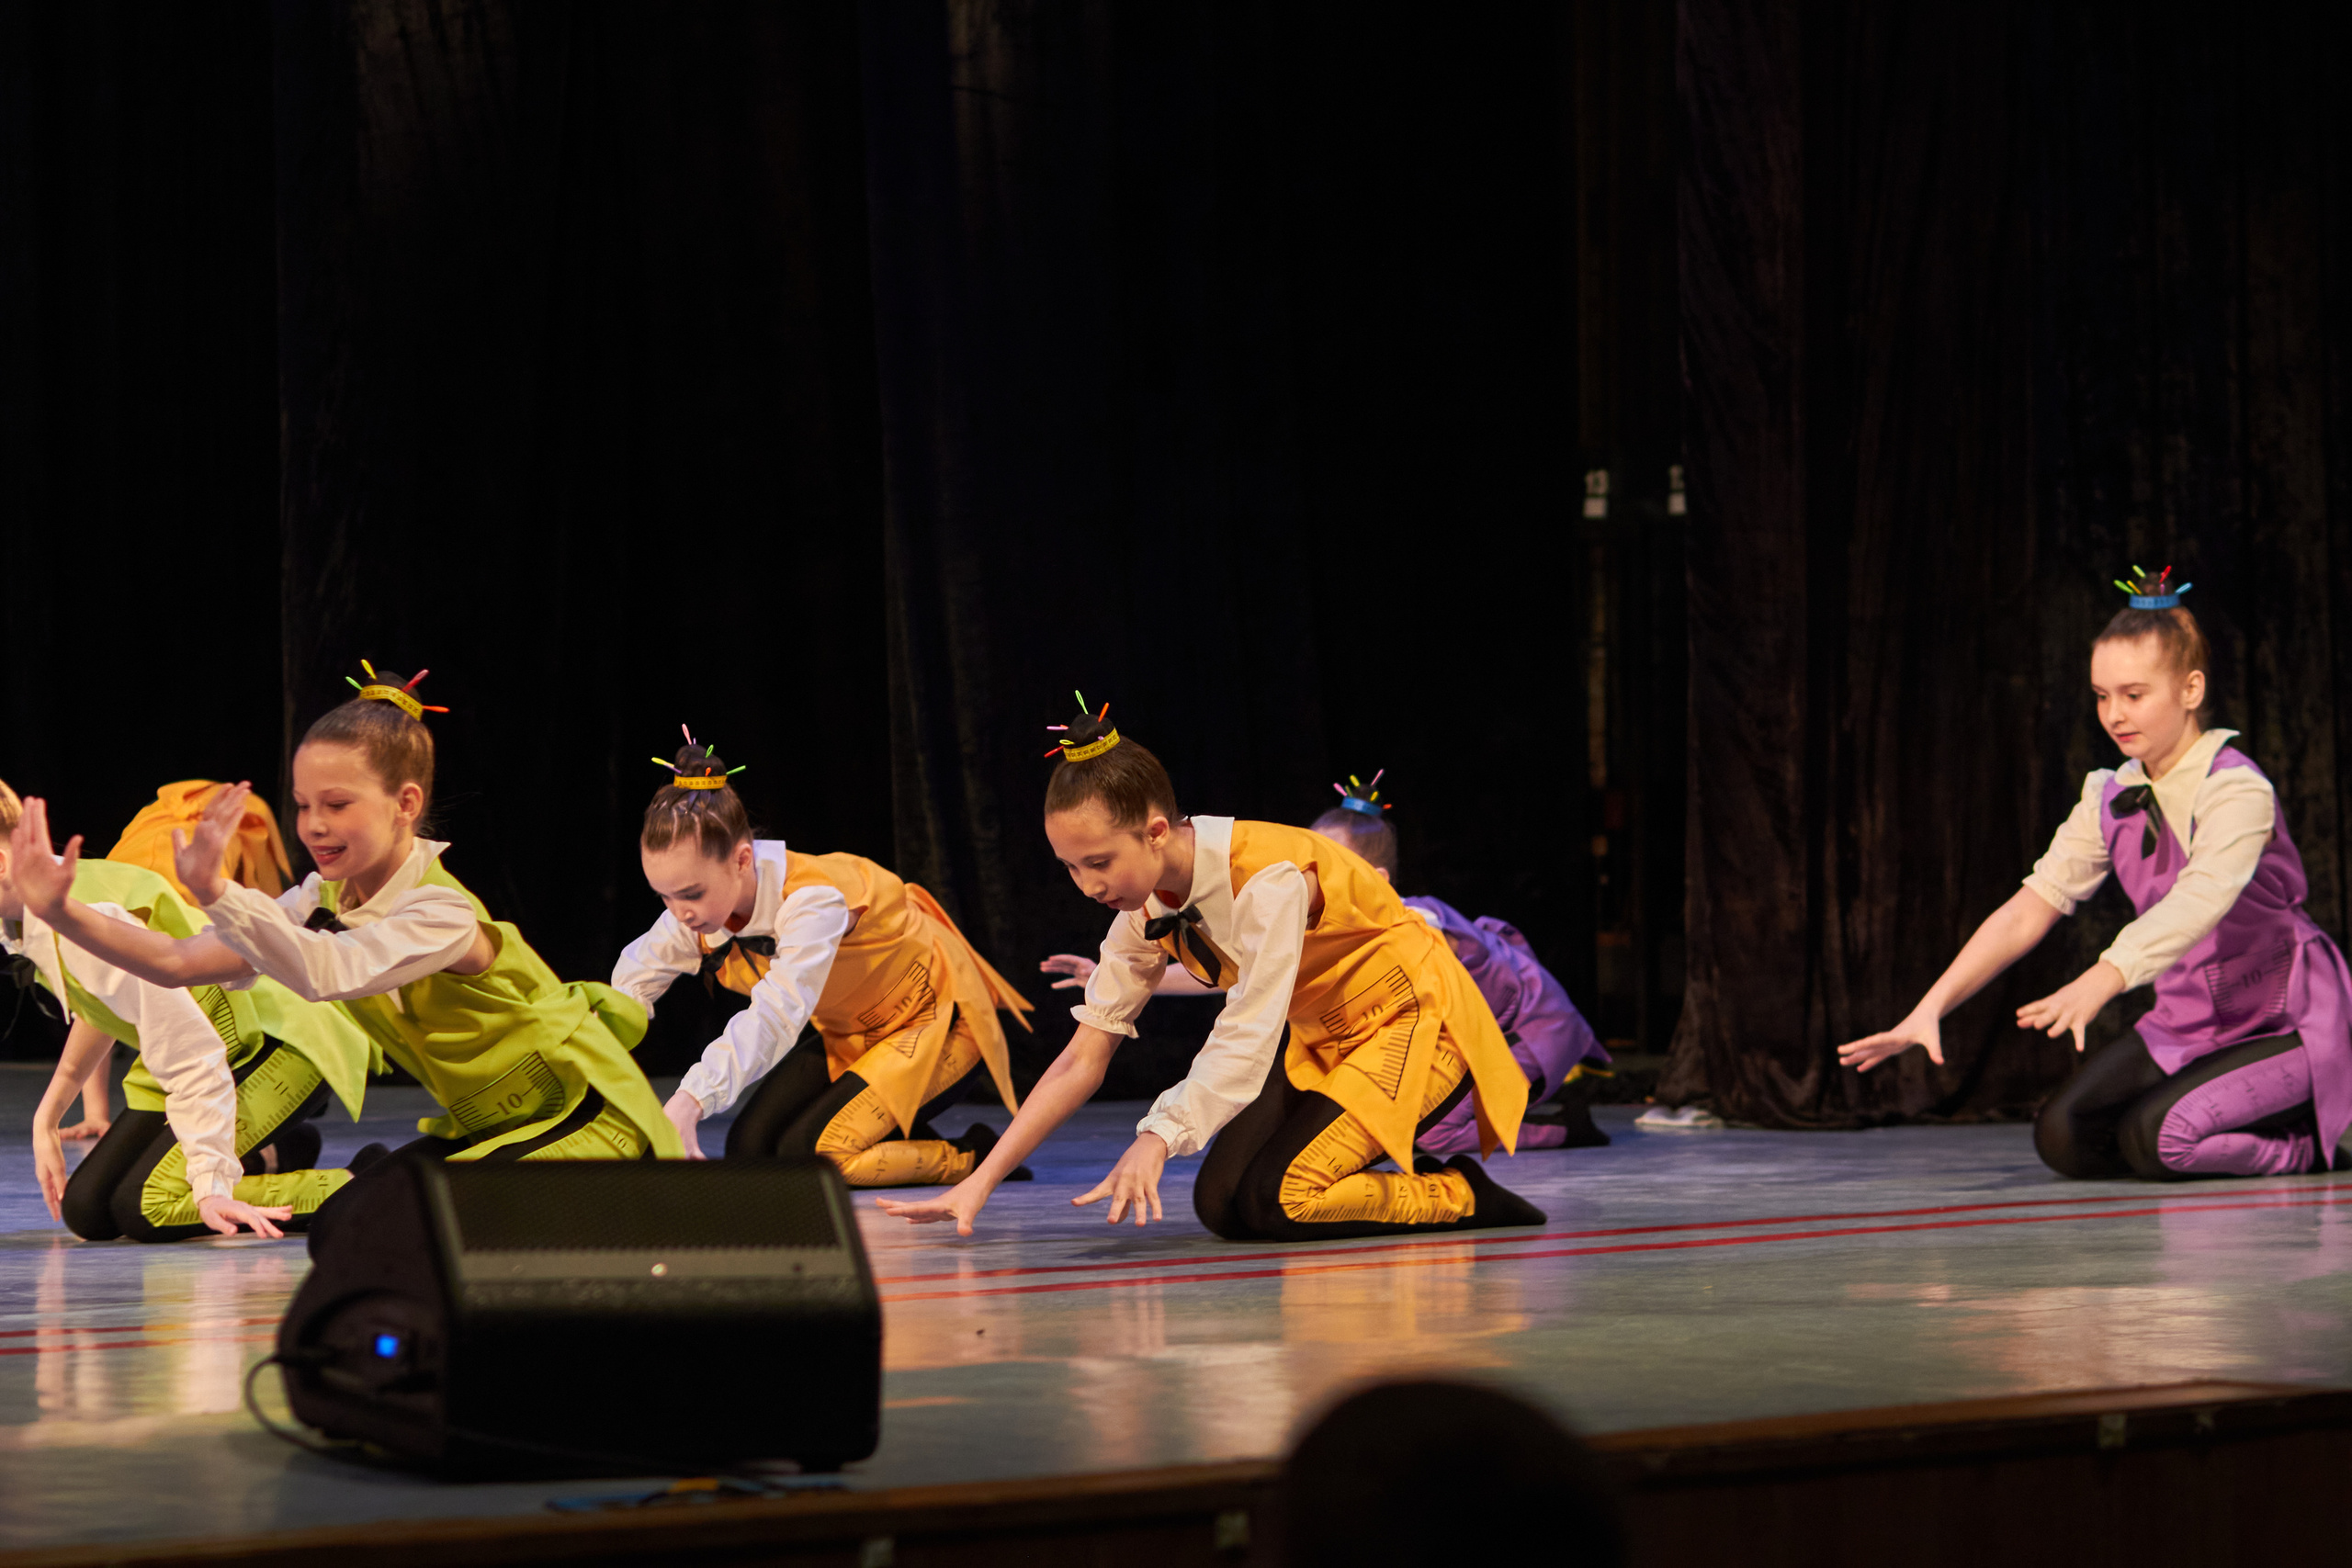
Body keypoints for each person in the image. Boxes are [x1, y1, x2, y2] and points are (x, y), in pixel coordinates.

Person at [6, 663, 683, 1218]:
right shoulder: (321, 899)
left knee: (404, 1220)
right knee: (373, 1208)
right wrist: (59, 911)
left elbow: (326, 971)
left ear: (406, 804)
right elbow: (177, 961)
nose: (313, 825)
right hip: (501, 1126)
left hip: (583, 1120)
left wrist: (216, 893)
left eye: (337, 804)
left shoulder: (439, 912)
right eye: (303, 805)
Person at [880, 697, 1543, 1240]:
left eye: (1100, 862)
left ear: (1156, 831)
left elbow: (1248, 1030)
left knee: (1285, 1198)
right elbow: (1081, 1059)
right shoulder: (1141, 916)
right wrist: (981, 1180)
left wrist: (1158, 1136)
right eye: (1071, 867)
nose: (1087, 885)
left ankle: (1458, 1193)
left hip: (1415, 1024)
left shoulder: (1268, 878)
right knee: (1224, 1206)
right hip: (1325, 1039)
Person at [1840, 571, 2352, 1179]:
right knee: (2064, 1136)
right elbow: (2030, 906)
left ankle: (2307, 1150)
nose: (2114, 715)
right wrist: (1931, 1006)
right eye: (2102, 696)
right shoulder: (2111, 795)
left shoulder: (2236, 789)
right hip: (2190, 1020)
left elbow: (2202, 897)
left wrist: (2103, 977)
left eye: (2134, 695)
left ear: (2190, 689)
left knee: (2158, 1139)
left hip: (2284, 1020)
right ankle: (2205, 1123)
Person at [1042, 773, 1612, 1155]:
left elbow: (1455, 1002)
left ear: (1372, 875)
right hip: (1433, 1028)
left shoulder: (1416, 923)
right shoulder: (1303, 911)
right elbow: (1241, 976)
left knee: (1429, 1135)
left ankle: (1560, 1127)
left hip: (1524, 1027)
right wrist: (1122, 984)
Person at [612, 730, 1034, 1184]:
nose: (679, 913)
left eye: (691, 894)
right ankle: (882, 1127)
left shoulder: (812, 901)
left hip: (936, 1022)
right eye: (665, 897)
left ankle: (977, 1155)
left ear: (742, 860)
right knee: (750, 1151)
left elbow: (776, 1015)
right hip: (855, 1034)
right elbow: (630, 986)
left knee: (819, 1155)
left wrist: (690, 1099)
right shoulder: (694, 914)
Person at [2, 779, 373, 1240]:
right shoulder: (28, 915)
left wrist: (211, 1185)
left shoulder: (76, 909)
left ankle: (368, 1181)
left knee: (151, 1204)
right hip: (206, 1050)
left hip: (275, 1044)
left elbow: (195, 1055)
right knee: (88, 1209)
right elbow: (108, 1003)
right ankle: (277, 1151)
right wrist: (47, 1116)